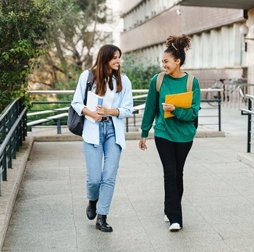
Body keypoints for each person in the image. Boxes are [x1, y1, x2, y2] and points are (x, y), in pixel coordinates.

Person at [139, 34, 201, 232]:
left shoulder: (192, 82)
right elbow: (150, 108)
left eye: (166, 61)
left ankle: (170, 208)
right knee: (170, 172)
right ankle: (176, 218)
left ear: (178, 61)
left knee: (178, 173)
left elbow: (193, 112)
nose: (163, 65)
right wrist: (144, 132)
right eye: (162, 61)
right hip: (163, 133)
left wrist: (175, 109)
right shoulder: (157, 81)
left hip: (184, 136)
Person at [71, 44, 133, 232]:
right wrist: (91, 114)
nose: (117, 61)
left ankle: (102, 217)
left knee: (109, 177)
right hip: (92, 130)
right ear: (104, 58)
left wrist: (109, 111)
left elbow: (128, 109)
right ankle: (92, 201)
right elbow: (76, 102)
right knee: (94, 179)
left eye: (119, 57)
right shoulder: (87, 76)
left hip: (113, 130)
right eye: (114, 57)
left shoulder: (123, 80)